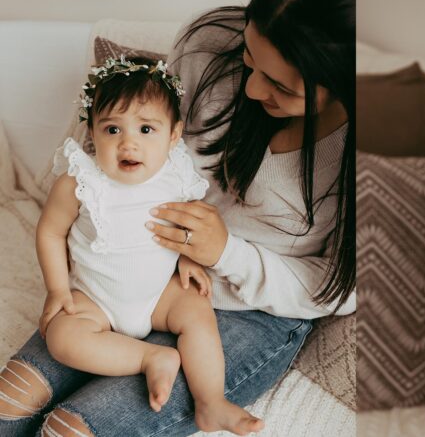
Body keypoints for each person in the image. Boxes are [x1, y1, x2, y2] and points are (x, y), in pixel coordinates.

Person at [0, 0, 356, 435]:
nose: (251, 89)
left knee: (69, 430)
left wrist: (224, 252)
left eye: (282, 86)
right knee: (11, 402)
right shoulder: (210, 45)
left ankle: (209, 402)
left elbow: (344, 288)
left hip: (251, 306)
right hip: (142, 269)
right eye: (249, 57)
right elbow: (136, 138)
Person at [36, 55, 263, 434]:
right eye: (112, 130)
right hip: (97, 298)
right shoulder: (80, 182)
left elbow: (188, 218)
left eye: (146, 129)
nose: (129, 143)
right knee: (62, 337)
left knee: (197, 312)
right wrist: (57, 289)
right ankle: (150, 357)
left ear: (173, 135)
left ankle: (211, 401)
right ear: (92, 132)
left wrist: (188, 260)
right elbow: (49, 232)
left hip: (159, 294)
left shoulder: (176, 173)